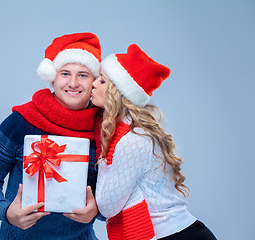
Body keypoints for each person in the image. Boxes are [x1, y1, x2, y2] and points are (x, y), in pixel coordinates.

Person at [0, 32, 103, 240]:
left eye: (83, 75)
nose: (73, 83)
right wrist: (6, 212)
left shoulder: (106, 130)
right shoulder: (20, 122)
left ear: (94, 82)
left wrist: (98, 210)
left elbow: (116, 195)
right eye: (65, 73)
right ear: (53, 78)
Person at [92, 44, 217, 240]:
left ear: (118, 92)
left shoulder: (132, 141)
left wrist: (103, 158)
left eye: (102, 80)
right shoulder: (130, 133)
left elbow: (107, 206)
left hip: (175, 235)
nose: (93, 84)